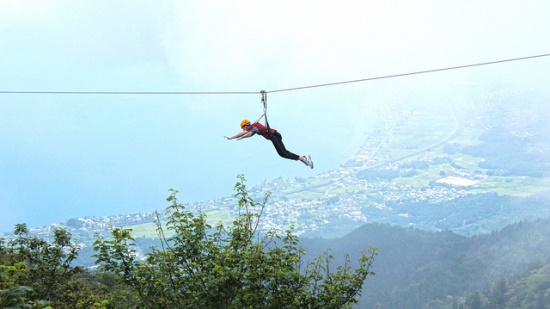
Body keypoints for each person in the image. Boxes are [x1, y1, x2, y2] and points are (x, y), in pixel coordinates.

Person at [225, 119, 314, 168]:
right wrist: (241, 138)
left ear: (245, 125)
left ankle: (304, 158)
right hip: (274, 137)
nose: (244, 130)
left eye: (243, 128)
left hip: (274, 136)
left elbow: (245, 133)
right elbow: (249, 134)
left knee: (284, 153)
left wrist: (232, 137)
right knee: (282, 154)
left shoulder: (252, 126)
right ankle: (303, 158)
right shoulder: (254, 128)